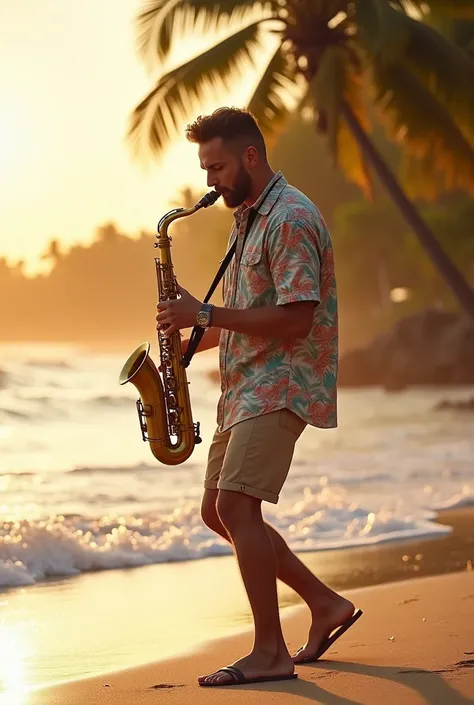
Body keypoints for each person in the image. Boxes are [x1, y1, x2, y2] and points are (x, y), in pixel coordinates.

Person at [156, 107, 361, 688]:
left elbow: (297, 320)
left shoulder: (290, 217)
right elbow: (256, 313)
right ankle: (324, 604)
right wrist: (197, 338)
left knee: (237, 507)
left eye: (216, 166)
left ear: (251, 156)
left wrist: (206, 312)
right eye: (204, 168)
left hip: (283, 381)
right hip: (247, 384)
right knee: (216, 510)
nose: (208, 181)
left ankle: (269, 652)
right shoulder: (248, 216)